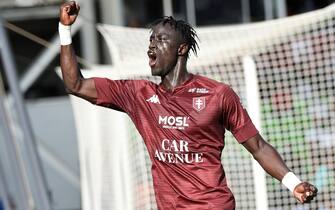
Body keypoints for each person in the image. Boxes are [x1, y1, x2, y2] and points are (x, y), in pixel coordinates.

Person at [59, 1, 317, 209]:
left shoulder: (218, 94)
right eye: (150, 40)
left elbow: (258, 146)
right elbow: (76, 85)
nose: (151, 45)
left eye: (160, 40)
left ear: (181, 49)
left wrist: (293, 183)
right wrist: (65, 31)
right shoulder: (137, 94)